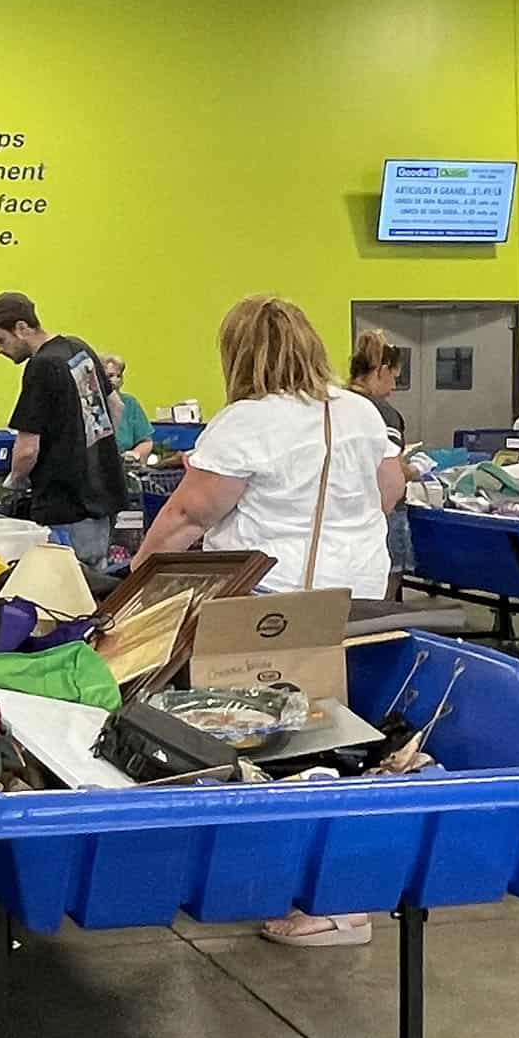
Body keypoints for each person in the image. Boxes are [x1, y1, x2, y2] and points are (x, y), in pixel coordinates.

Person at [131, 295, 401, 949]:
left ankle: (291, 890)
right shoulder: (359, 411)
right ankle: (339, 896)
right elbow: (388, 491)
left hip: (275, 604)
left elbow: (189, 518)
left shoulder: (244, 422)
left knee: (265, 748)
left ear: (238, 353)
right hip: (357, 596)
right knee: (337, 743)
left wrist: (134, 586)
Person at [0, 291, 126, 566]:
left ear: (21, 327)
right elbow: (116, 407)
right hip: (103, 497)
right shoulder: (78, 348)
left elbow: (28, 448)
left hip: (65, 506)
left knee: (63, 591)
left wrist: (13, 482)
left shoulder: (42, 366)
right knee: (96, 586)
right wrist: (95, 452)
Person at [348, 330, 411, 597]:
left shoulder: (334, 404)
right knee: (389, 576)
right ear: (382, 370)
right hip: (379, 513)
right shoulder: (384, 414)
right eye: (394, 378)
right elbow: (392, 477)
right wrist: (414, 471)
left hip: (343, 510)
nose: (394, 387)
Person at [103, 354, 157, 465]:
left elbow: (146, 441)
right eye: (110, 376)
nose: (115, 380)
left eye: (119, 376)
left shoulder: (130, 403)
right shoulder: (88, 405)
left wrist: (133, 455)